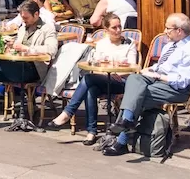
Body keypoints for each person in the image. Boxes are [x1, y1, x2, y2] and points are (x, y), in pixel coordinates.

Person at [103, 13, 190, 156]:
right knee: (134, 79)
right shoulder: (171, 45)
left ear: (179, 31)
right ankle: (126, 123)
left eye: (168, 28)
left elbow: (182, 81)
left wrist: (158, 76)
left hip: (177, 89)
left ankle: (122, 139)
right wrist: (151, 69)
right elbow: (162, 66)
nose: (165, 31)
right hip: (158, 80)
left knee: (136, 94)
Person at [45, 13, 139, 144]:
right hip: (104, 78)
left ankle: (68, 113)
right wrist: (107, 72)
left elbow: (133, 67)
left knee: (88, 79)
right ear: (106, 30)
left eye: (119, 27)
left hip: (122, 81)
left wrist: (114, 71)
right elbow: (95, 67)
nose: (118, 30)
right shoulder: (101, 44)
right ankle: (91, 132)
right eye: (114, 27)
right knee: (91, 89)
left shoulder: (129, 43)